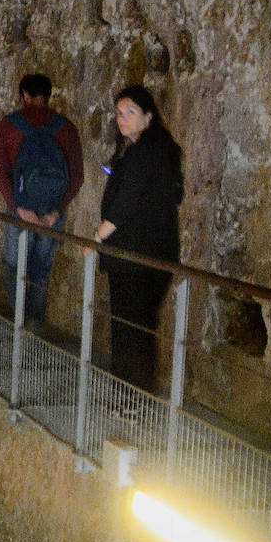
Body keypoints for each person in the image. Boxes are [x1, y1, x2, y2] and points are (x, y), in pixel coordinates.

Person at [91, 84, 184, 394]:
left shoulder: (146, 152)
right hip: (148, 254)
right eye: (119, 113)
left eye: (130, 112)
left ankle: (132, 397)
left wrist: (97, 238)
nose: (123, 119)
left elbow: (126, 202)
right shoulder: (153, 150)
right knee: (135, 327)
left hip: (136, 257)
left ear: (148, 115)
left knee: (130, 329)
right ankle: (130, 394)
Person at [0, 73, 85, 324]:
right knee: (40, 270)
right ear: (48, 95)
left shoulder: (10, 125)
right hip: (51, 213)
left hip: (21, 210)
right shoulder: (65, 128)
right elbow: (77, 176)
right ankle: (36, 326)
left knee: (14, 266)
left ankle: (17, 323)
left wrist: (17, 208)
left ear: (24, 95)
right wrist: (56, 211)